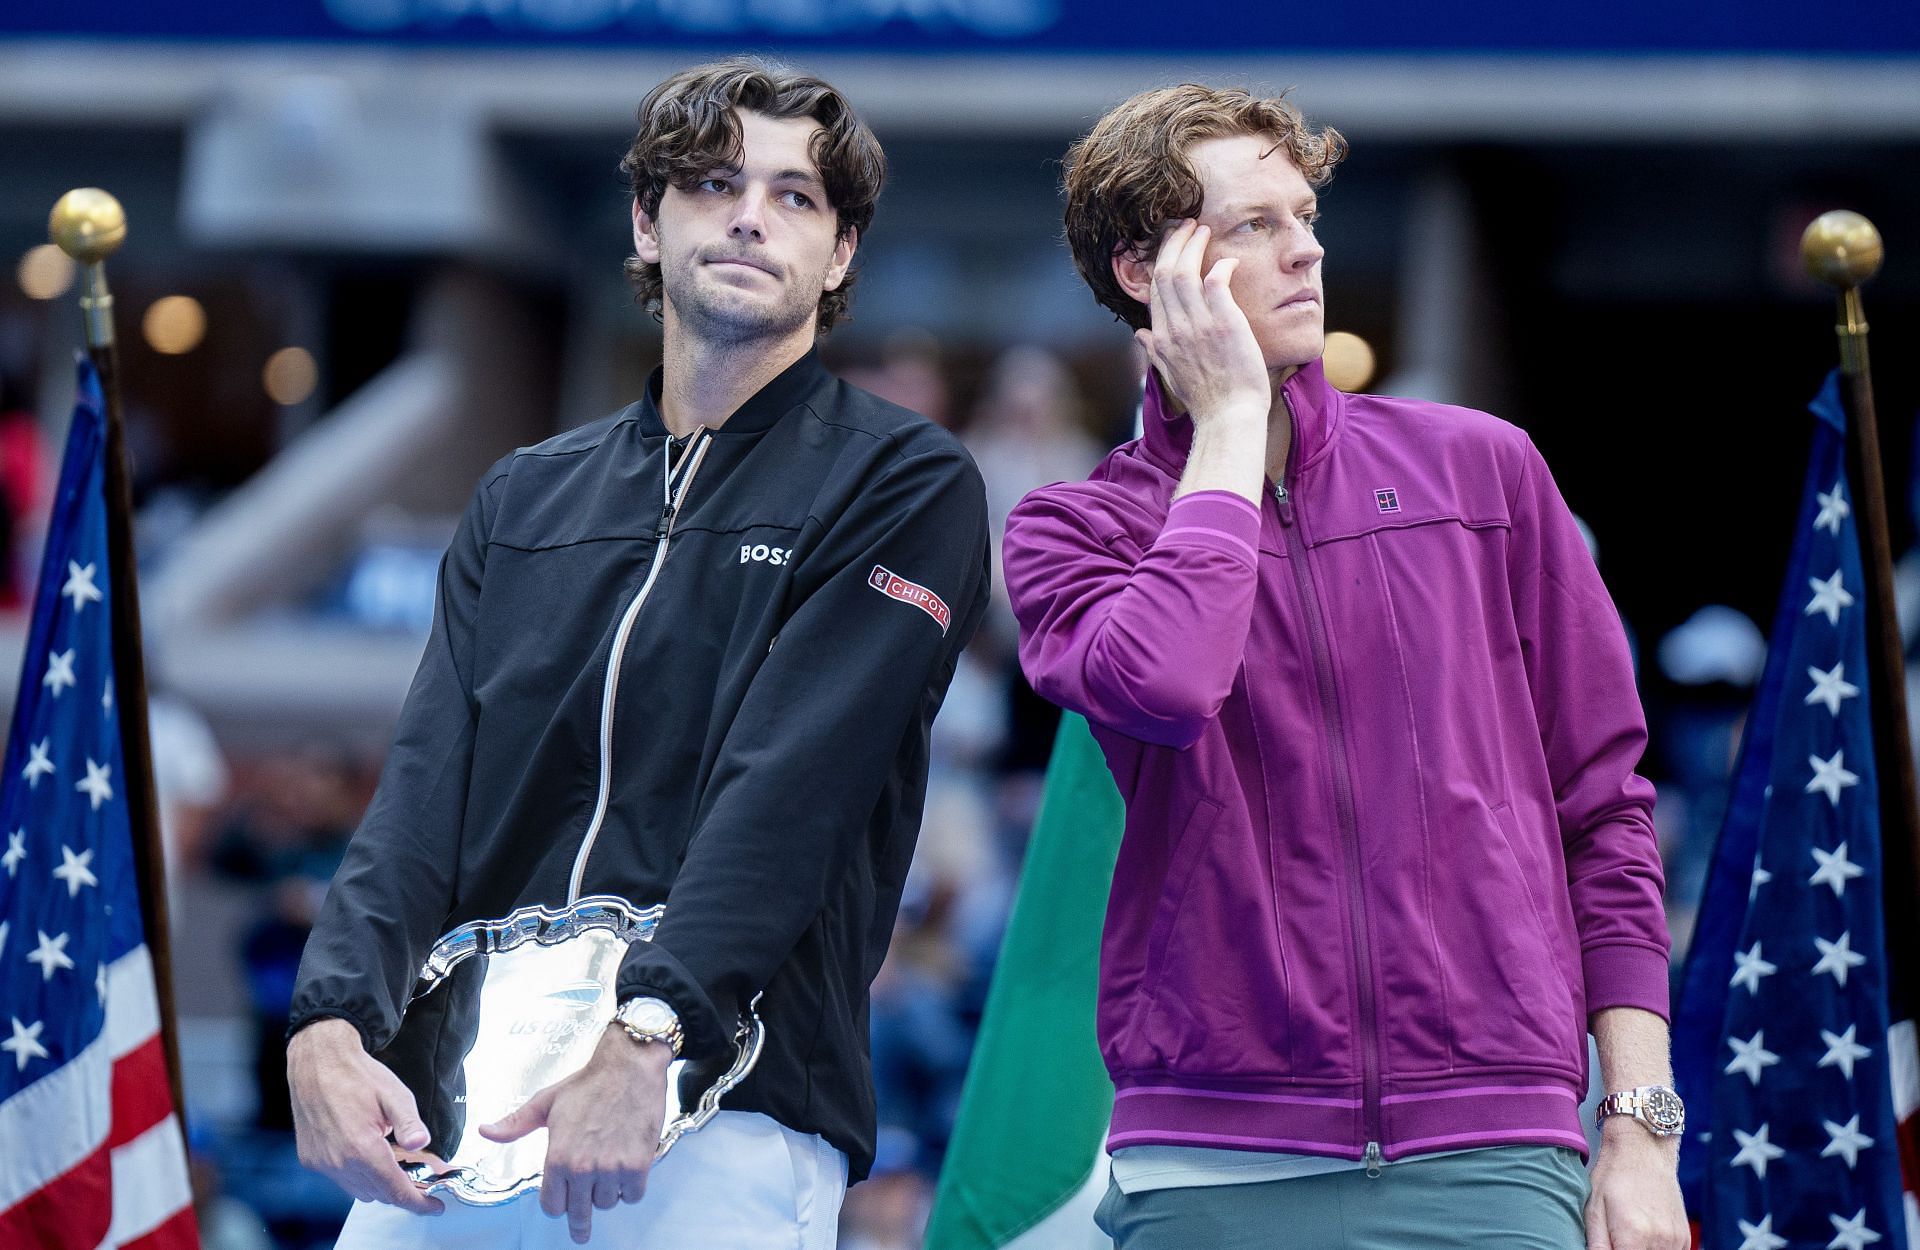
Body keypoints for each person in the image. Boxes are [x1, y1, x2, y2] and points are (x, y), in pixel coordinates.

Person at [284, 57, 990, 1249]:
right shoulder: (525, 496)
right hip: (453, 1117)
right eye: (714, 183)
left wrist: (654, 1030)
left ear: (843, 251)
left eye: (796, 196)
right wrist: (327, 1021)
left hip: (723, 1111)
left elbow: (793, 788)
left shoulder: (901, 480)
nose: (751, 215)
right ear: (646, 223)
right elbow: (419, 794)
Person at [1001, 85, 1686, 1250]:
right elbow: (1167, 685)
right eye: (1254, 222)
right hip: (1210, 1157)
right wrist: (1224, 425)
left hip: (1493, 1143)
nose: (1305, 246)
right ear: (1142, 271)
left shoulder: (1485, 470)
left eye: (1305, 213)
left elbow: (1604, 811)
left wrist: (1639, 1126)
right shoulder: (1071, 528)